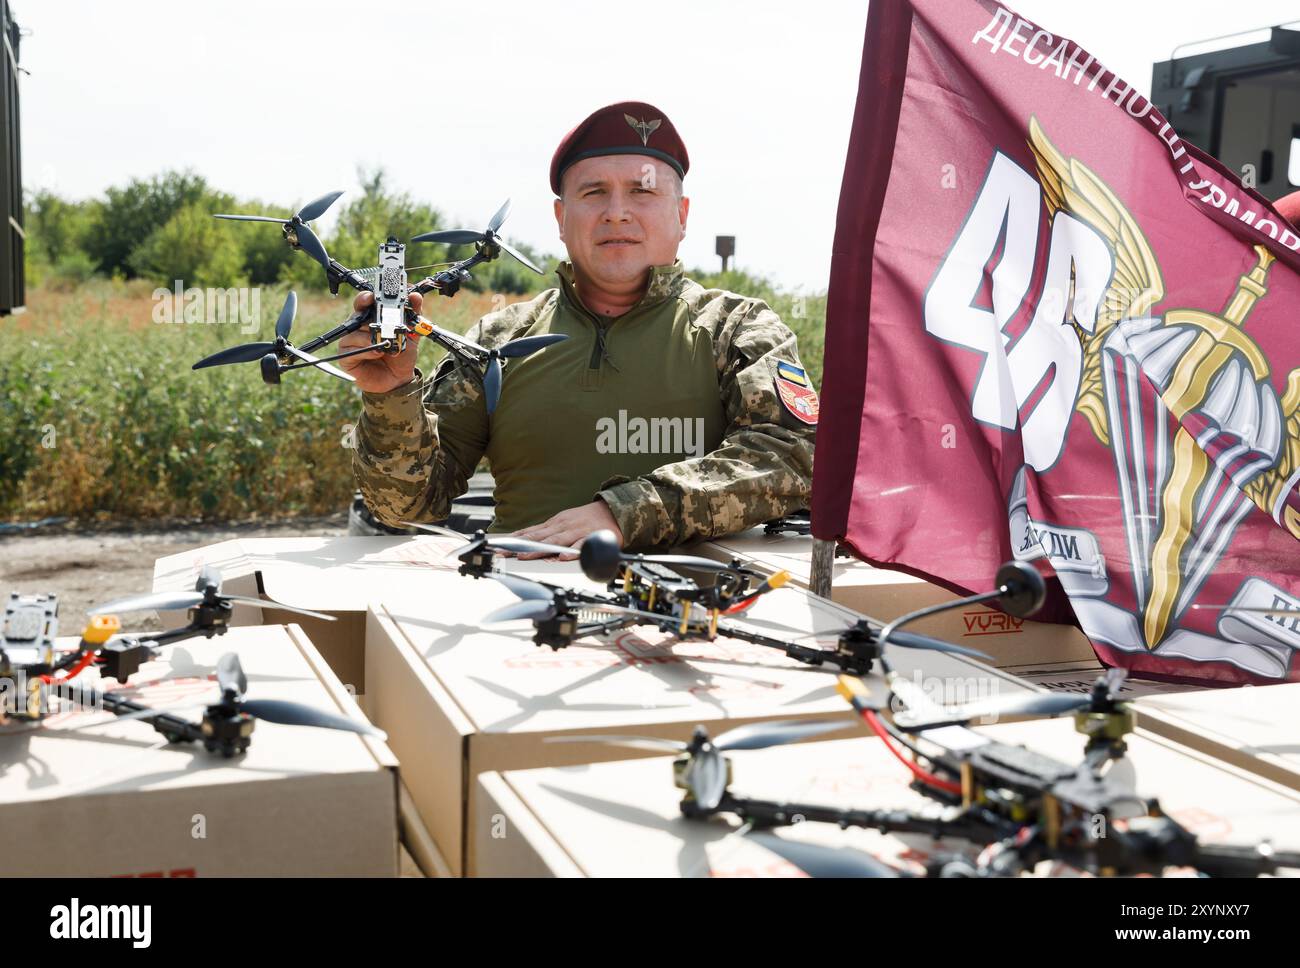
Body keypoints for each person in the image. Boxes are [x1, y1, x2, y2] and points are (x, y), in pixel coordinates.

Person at [339, 101, 817, 553]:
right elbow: (404, 506)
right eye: (594, 192)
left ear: (682, 215)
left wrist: (627, 513)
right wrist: (392, 396)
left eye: (642, 190)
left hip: (695, 607)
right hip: (518, 604)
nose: (616, 212)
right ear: (561, 219)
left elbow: (792, 458)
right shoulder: (499, 341)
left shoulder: (736, 329)